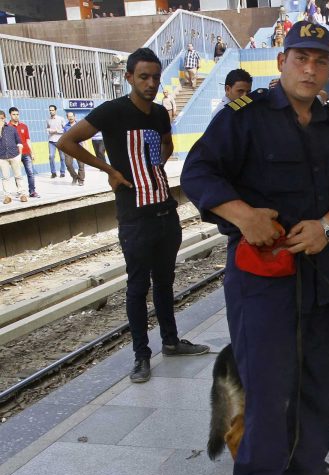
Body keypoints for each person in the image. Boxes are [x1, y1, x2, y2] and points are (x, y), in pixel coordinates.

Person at [180, 21, 329, 475]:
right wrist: (243, 216)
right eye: (301, 58)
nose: (310, 68)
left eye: (321, 60)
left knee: (320, 378)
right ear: (281, 61)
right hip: (262, 280)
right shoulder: (244, 118)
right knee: (269, 384)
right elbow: (198, 173)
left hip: (319, 276)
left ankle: (305, 467)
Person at [56, 47, 209, 384]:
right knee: (138, 287)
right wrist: (109, 169)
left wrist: (156, 163)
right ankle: (142, 355)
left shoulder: (159, 114)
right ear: (129, 78)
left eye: (155, 77)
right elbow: (67, 141)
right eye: (144, 76)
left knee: (166, 282)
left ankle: (170, 341)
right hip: (134, 215)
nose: (151, 83)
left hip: (165, 210)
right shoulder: (112, 112)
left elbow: (167, 144)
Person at [8, 107, 37, 198]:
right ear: (10, 115)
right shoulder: (7, 127)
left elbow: (28, 140)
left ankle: (32, 191)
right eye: (14, 114)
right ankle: (20, 191)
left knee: (30, 173)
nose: (16, 116)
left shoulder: (24, 126)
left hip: (26, 153)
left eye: (17, 114)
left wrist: (32, 152)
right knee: (17, 174)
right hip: (15, 154)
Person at [0, 110, 25, 204]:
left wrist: (20, 155)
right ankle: (7, 196)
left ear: (5, 118)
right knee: (5, 177)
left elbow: (19, 142)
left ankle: (22, 194)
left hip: (14, 155)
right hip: (2, 157)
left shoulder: (11, 128)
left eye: (2, 118)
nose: (1, 120)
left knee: (18, 175)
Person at [63, 111, 85, 186]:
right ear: (67, 118)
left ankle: (81, 179)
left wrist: (85, 147)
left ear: (74, 117)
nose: (70, 117)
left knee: (81, 165)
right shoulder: (66, 127)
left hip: (79, 147)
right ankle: (75, 176)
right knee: (68, 164)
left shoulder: (79, 125)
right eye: (69, 116)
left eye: (71, 116)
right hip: (69, 148)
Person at [46, 105, 66, 178]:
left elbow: (65, 129)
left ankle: (62, 172)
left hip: (60, 141)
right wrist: (50, 131)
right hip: (51, 141)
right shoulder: (48, 119)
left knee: (62, 157)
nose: (51, 111)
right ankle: (53, 172)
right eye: (50, 110)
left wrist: (56, 131)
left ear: (55, 110)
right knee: (51, 156)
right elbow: (47, 129)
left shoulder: (61, 119)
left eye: (52, 110)